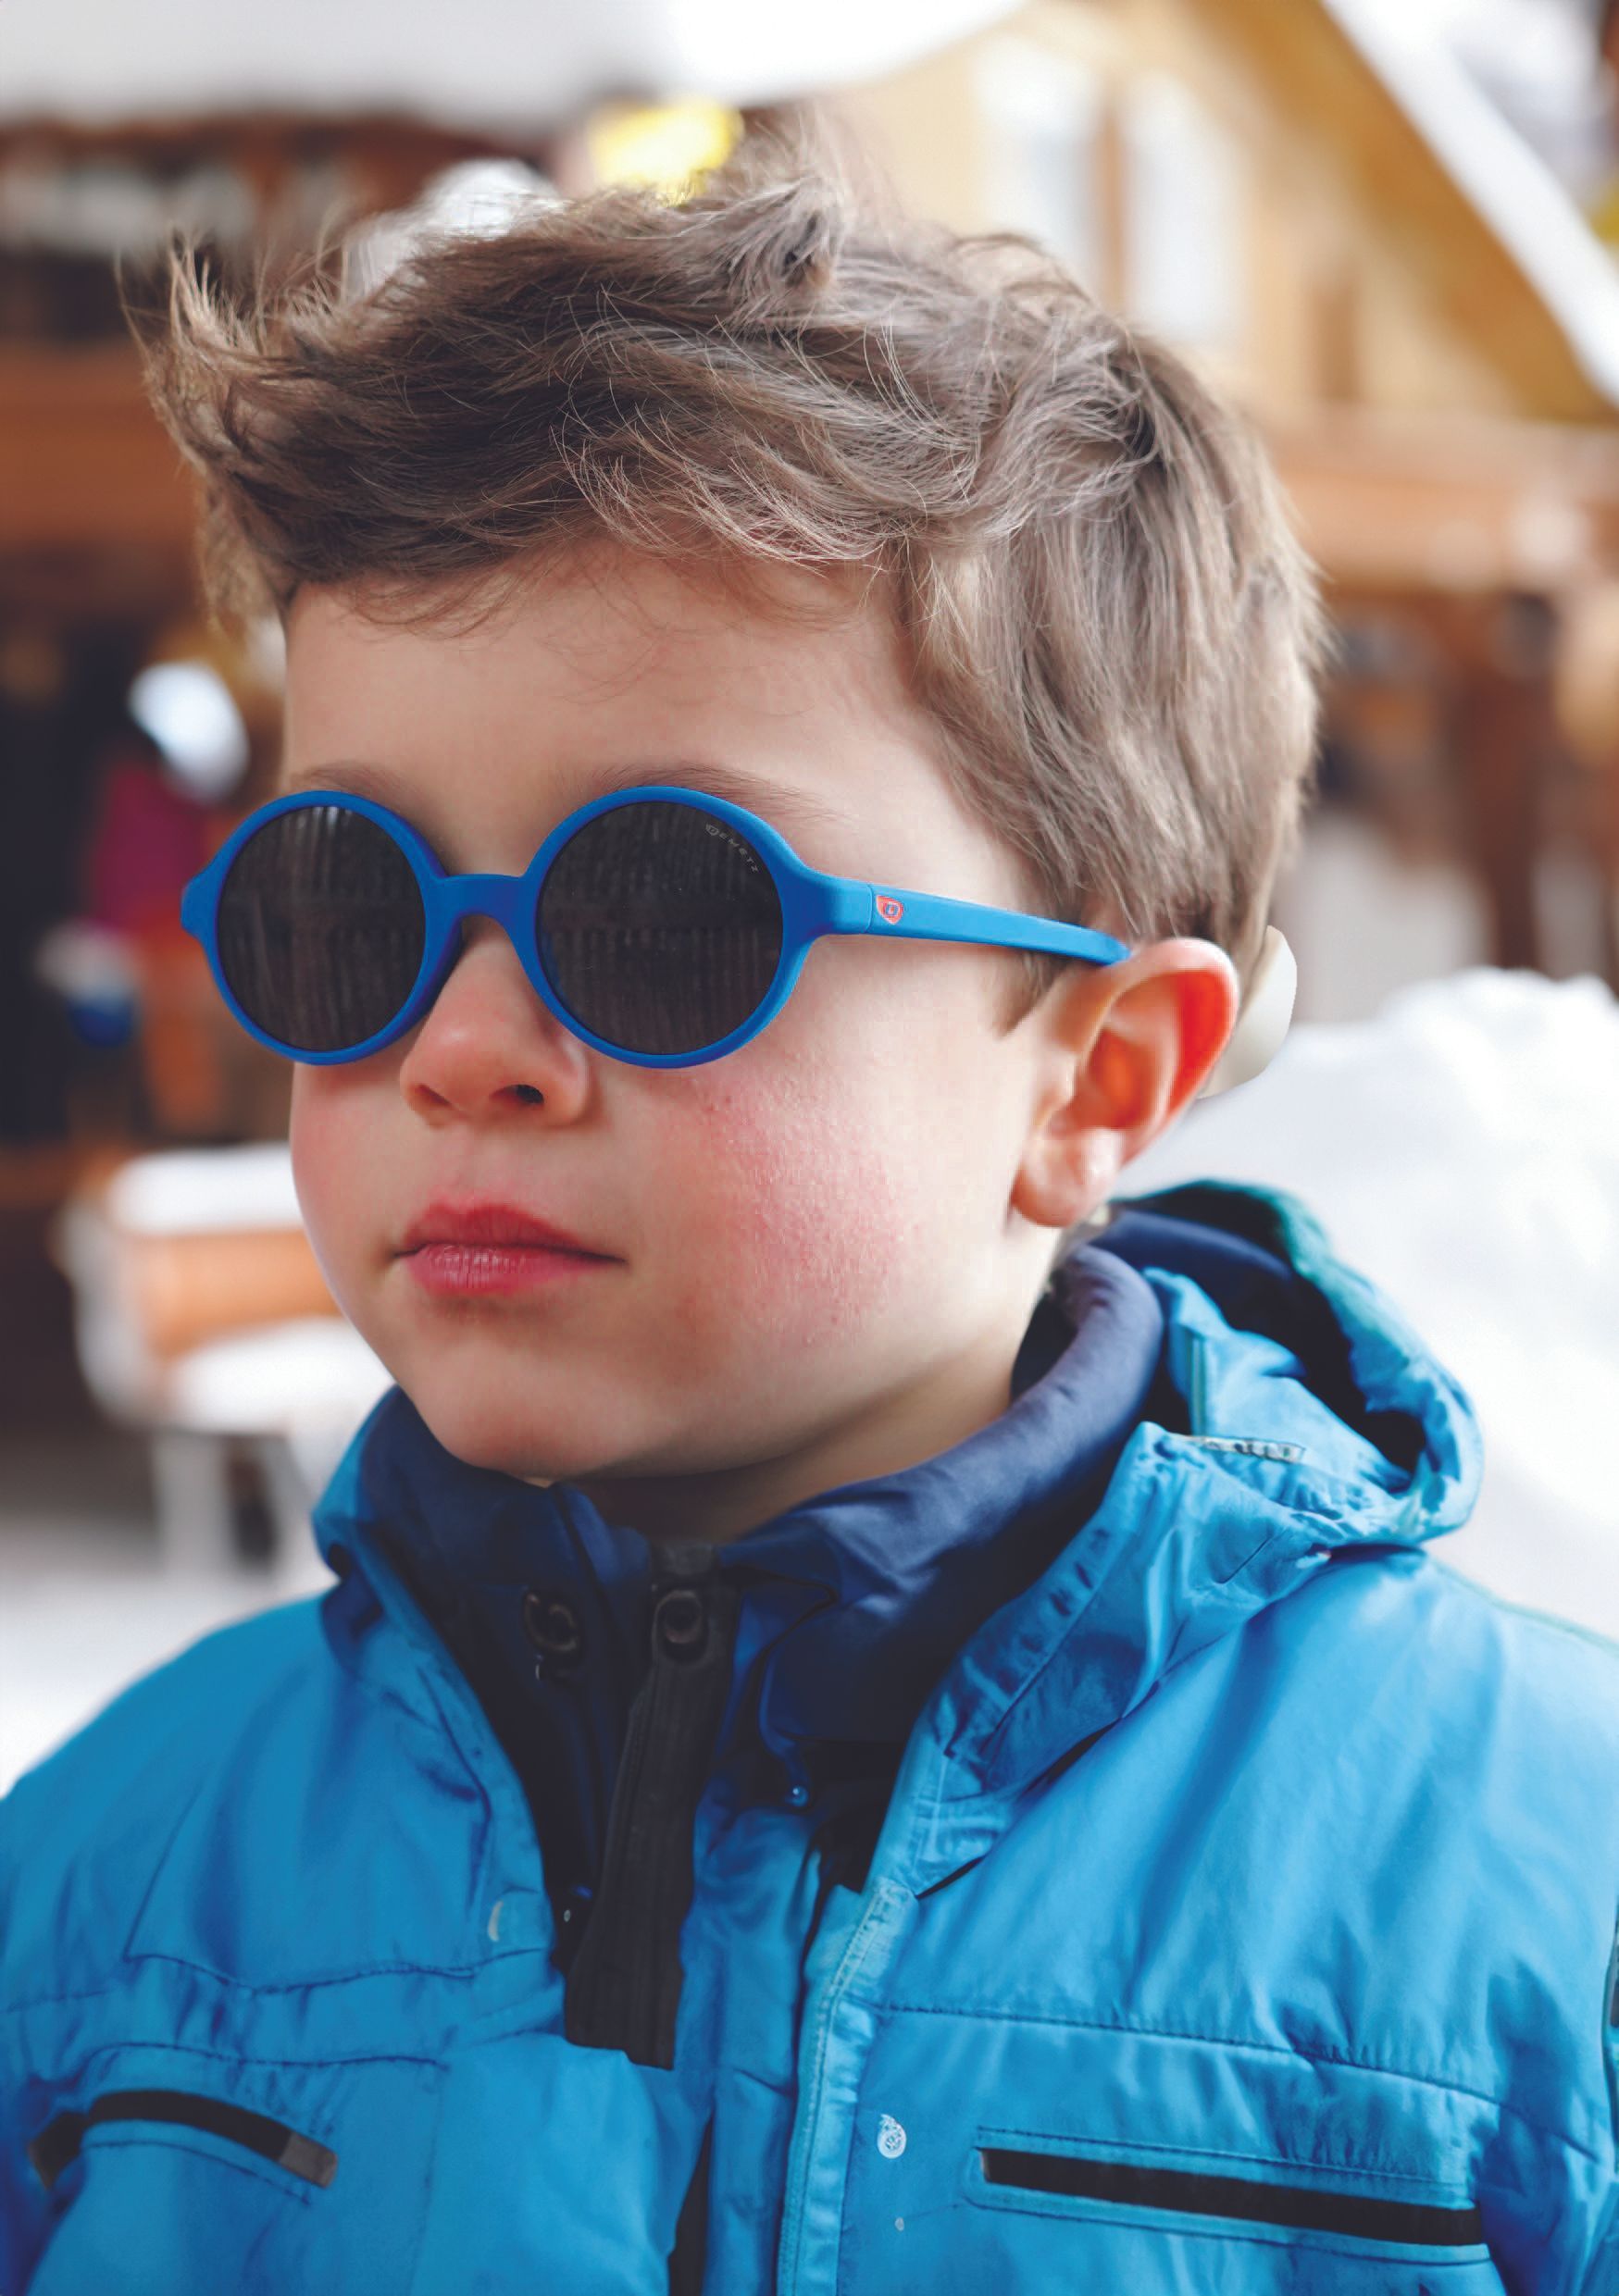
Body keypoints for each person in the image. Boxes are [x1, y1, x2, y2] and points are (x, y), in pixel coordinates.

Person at [3, 128, 1616, 2294]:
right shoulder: (115, 1890)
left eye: (661, 913)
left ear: (1094, 1078)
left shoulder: (1535, 1897)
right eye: (349, 905)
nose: (460, 1046)